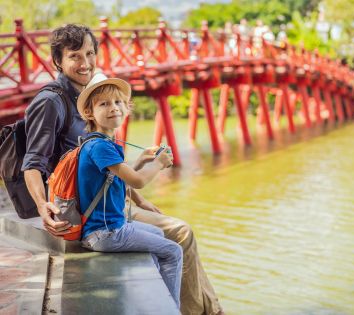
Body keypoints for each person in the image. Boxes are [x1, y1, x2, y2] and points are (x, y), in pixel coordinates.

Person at [22, 24, 224, 315]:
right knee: (180, 233)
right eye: (75, 56)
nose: (85, 63)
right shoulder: (51, 102)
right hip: (83, 209)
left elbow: (110, 170)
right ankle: (196, 311)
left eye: (90, 53)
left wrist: (139, 200)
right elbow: (33, 163)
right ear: (58, 62)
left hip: (103, 200)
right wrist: (43, 207)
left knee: (170, 230)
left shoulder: (96, 99)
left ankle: (202, 308)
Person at [76, 73, 182, 308]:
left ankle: (157, 297)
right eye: (104, 104)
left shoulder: (97, 142)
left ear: (126, 107)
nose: (113, 108)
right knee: (174, 251)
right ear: (90, 113)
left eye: (118, 102)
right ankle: (171, 308)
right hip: (106, 233)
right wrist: (159, 164)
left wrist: (142, 162)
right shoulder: (101, 146)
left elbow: (113, 181)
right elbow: (137, 182)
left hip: (105, 229)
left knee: (159, 235)